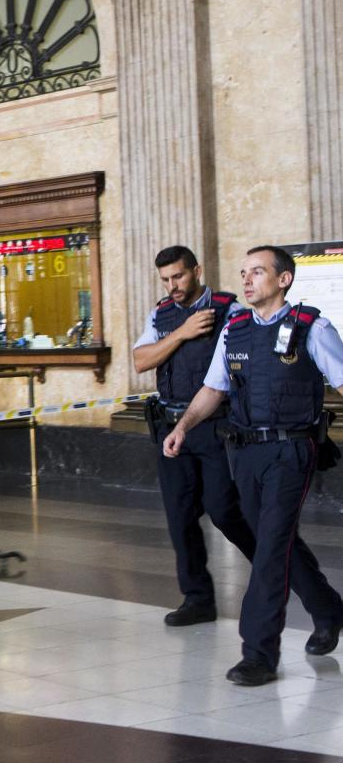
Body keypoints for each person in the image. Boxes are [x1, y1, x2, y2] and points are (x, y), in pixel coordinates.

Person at [165, 245, 343, 685]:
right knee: (270, 539)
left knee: (269, 549)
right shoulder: (235, 330)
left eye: (258, 272)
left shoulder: (313, 328)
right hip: (244, 453)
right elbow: (213, 389)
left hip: (290, 452)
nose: (246, 280)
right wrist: (183, 425)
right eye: (244, 273)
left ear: (283, 279)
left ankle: (259, 653)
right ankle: (327, 608)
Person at [132, 246, 263, 626]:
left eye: (179, 276)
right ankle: (198, 599)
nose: (173, 286)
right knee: (179, 516)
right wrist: (183, 332)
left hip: (216, 427)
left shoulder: (229, 310)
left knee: (223, 509)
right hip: (170, 426)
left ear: (197, 271)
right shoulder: (161, 314)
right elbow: (142, 359)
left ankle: (272, 568)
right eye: (166, 280)